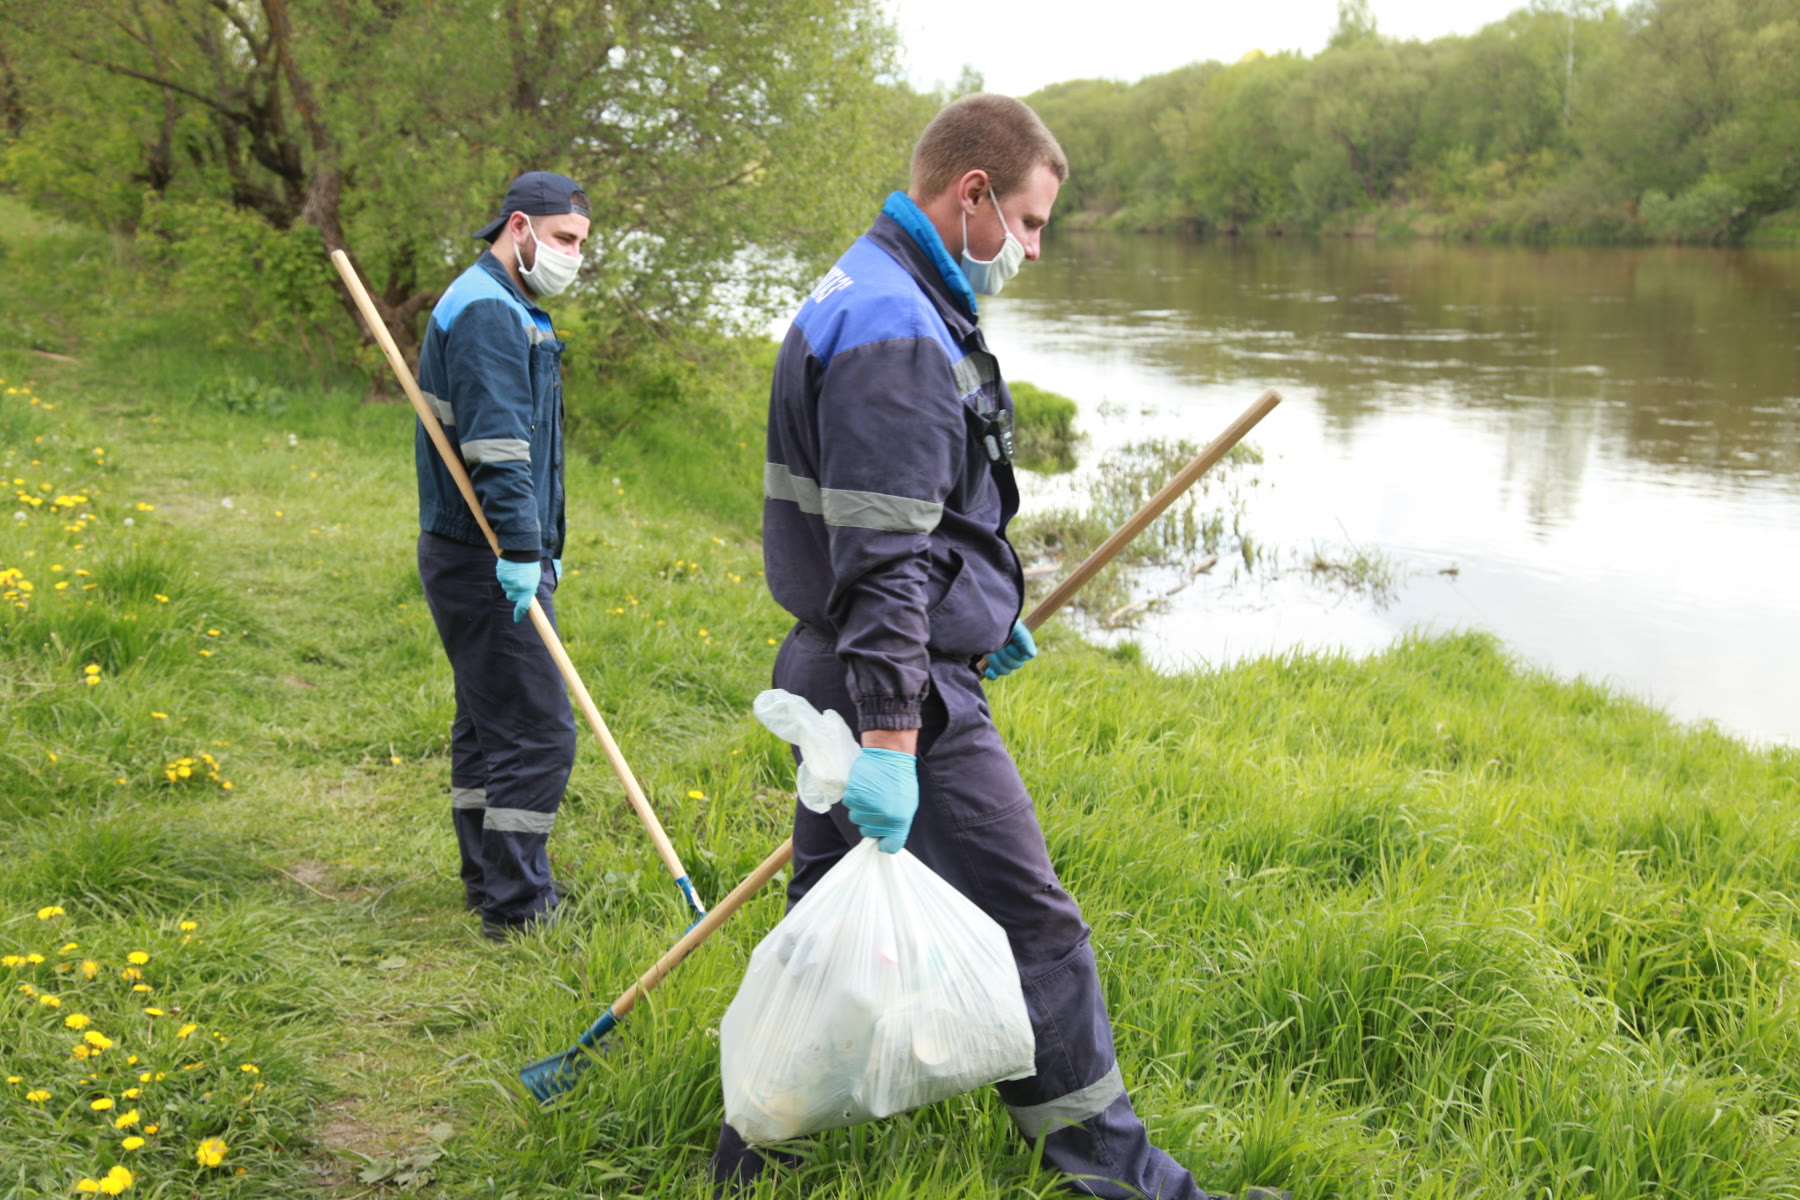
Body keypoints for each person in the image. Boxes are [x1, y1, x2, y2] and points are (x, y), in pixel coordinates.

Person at [720, 95, 1272, 1199]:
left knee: (825, 928)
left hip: (852, 665)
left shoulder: (871, 285)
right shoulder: (897, 332)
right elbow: (880, 559)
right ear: (970, 195)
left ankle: (756, 1152)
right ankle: (1126, 1185)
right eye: (1026, 224)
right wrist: (890, 731)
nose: (1027, 249)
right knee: (1036, 930)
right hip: (899, 690)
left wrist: (981, 594)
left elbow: (909, 516)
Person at [414, 171, 588, 943]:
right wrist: (521, 549)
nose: (573, 257)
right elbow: (498, 448)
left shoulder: (506, 301)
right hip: (484, 554)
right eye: (564, 240)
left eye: (580, 244)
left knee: (489, 726)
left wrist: (541, 546)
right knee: (537, 731)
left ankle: (490, 884)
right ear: (520, 227)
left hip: (482, 552)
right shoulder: (487, 308)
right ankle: (519, 909)